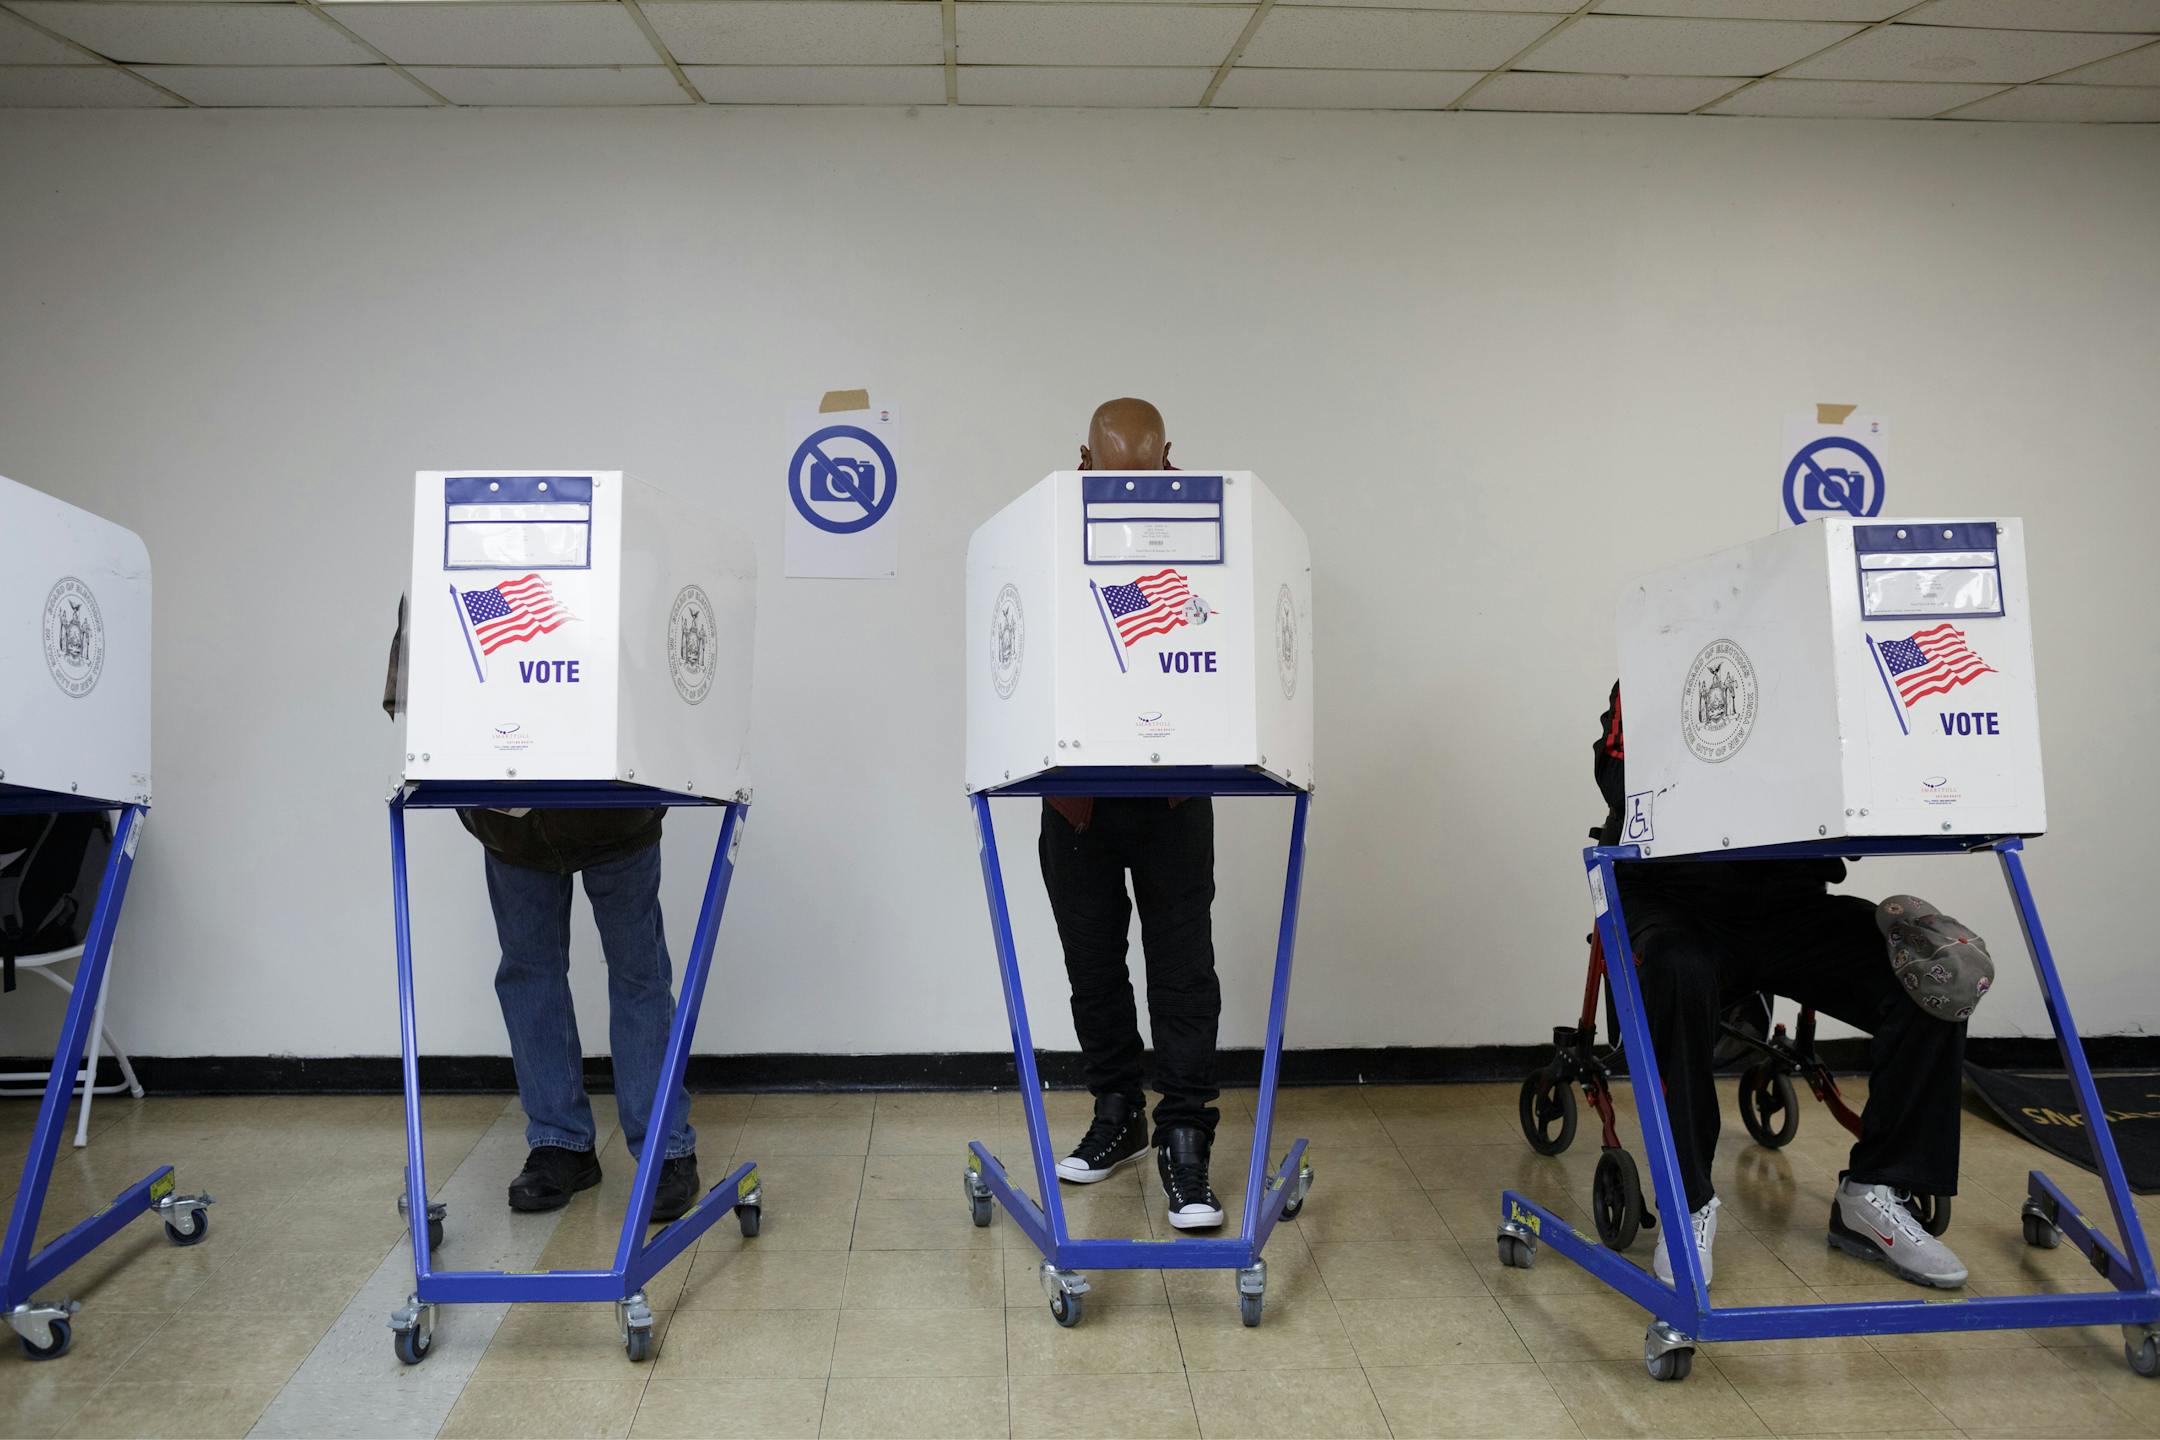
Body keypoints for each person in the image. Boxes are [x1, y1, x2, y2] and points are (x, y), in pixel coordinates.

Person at [1593, 680, 1980, 1290]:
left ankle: (1874, 1190)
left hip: (1789, 901)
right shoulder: (1658, 661)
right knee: (1676, 969)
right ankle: (1687, 1202)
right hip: (1676, 900)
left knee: (1934, 975)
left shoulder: (1829, 667)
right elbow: (1620, 784)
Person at [384, 599, 700, 1221]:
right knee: (530, 973)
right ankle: (561, 1145)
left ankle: (664, 1148)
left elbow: (659, 688)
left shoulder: (605, 576)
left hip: (615, 815)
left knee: (637, 972)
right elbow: (415, 697)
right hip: (511, 825)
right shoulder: (455, 583)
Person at [1044, 398, 1225, 1230]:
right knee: (1093, 968)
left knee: (1183, 974)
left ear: (1169, 460)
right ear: (1085, 461)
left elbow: (1218, 644)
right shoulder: (1045, 529)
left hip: (1171, 795)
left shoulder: (1210, 535)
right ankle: (1118, 1114)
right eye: (1111, 474)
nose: (1128, 489)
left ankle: (1185, 1140)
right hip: (1078, 799)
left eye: (1145, 475)